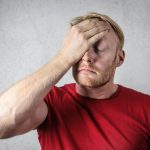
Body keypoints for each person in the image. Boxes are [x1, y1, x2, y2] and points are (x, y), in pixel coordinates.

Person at [0, 12, 150, 150]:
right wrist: (64, 57)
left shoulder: (146, 107)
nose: (87, 57)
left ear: (119, 58)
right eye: (79, 49)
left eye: (99, 48)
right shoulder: (49, 101)